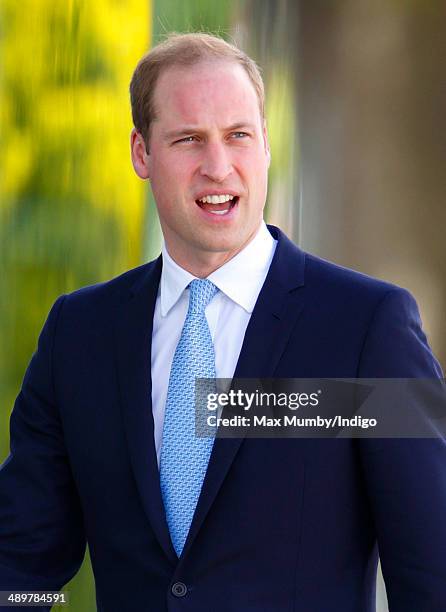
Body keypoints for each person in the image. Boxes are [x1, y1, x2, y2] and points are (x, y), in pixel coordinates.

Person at [0, 32, 445, 612]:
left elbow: (431, 570)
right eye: (188, 139)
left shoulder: (367, 327)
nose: (218, 166)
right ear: (141, 153)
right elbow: (19, 567)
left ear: (264, 146)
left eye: (238, 135)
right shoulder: (79, 335)